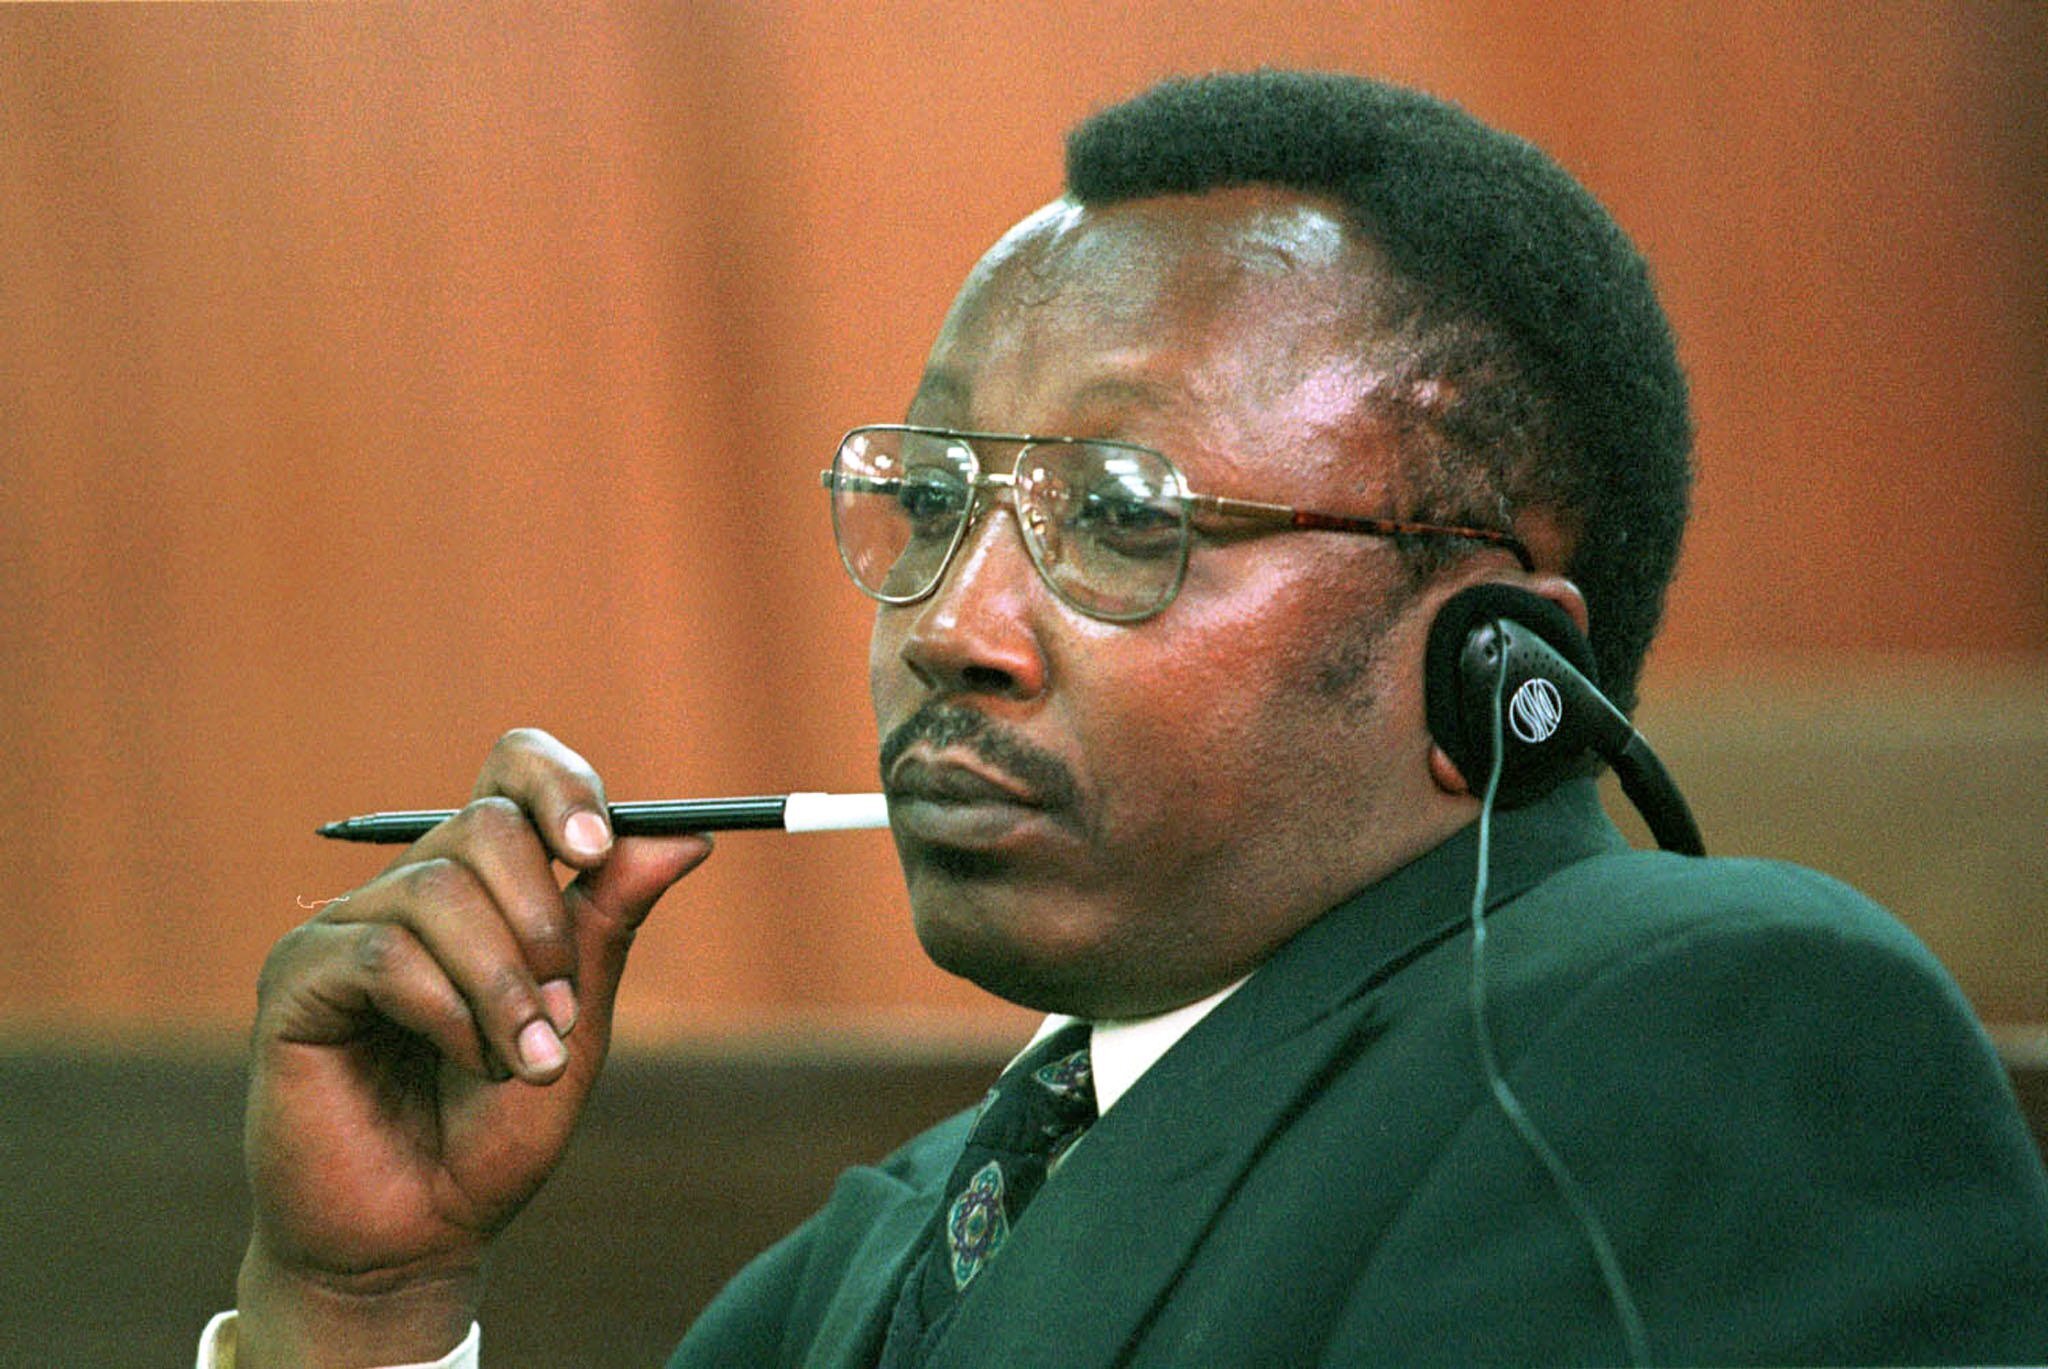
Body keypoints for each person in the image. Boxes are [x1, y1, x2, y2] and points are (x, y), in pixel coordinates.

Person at [201, 70, 2048, 1367]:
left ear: (1494, 668)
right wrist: (362, 1308)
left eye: (1124, 514)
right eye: (930, 503)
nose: (952, 626)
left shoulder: (1716, 1030)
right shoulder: (873, 1254)